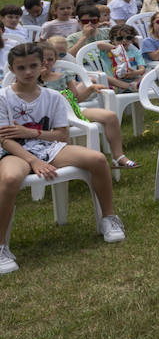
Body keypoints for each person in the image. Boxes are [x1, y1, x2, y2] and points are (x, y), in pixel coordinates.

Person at [1, 43, 127, 274]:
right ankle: (1, 246)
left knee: (98, 159)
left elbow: (62, 135)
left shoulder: (54, 96)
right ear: (11, 68)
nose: (28, 72)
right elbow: (5, 139)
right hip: (14, 152)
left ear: (43, 66)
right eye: (21, 68)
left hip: (49, 146)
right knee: (10, 179)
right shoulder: (3, 97)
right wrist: (33, 161)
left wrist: (32, 133)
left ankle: (108, 217)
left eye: (33, 66)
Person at [38, 40, 138, 170]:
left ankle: (118, 156)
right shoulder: (31, 81)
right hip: (49, 118)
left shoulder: (63, 75)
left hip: (73, 110)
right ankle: (68, 166)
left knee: (110, 116)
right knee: (63, 134)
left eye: (50, 59)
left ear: (56, 59)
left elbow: (76, 98)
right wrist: (38, 78)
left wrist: (90, 89)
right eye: (41, 60)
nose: (46, 63)